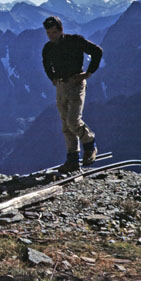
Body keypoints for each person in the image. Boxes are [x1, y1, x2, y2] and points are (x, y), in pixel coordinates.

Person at [42, 16, 102, 173]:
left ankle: (89, 143)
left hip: (76, 84)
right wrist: (53, 78)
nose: (51, 36)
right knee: (65, 125)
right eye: (48, 33)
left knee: (73, 120)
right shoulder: (48, 48)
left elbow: (97, 51)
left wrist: (88, 73)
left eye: (54, 32)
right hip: (61, 86)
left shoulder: (75, 40)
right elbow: (46, 64)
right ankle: (73, 160)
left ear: (61, 30)